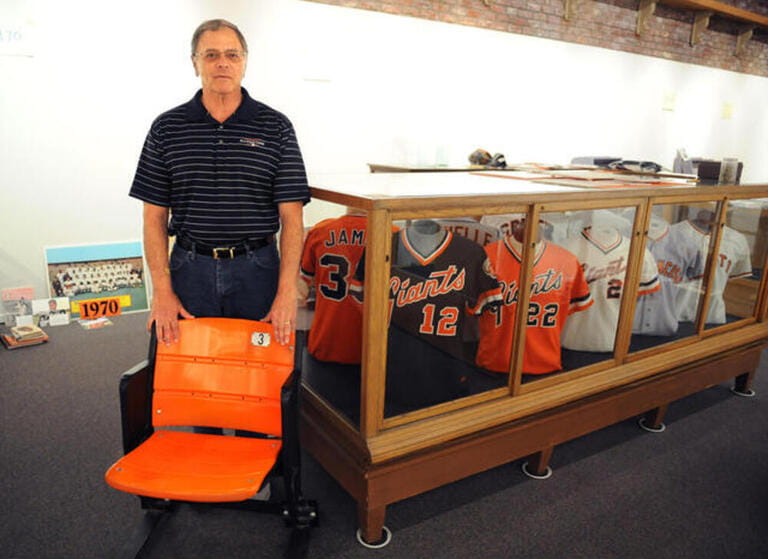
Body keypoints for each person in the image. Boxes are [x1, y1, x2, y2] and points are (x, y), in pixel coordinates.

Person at [129, 19, 310, 346]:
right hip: (189, 268)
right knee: (189, 368)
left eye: (232, 54)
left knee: (258, 372)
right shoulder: (166, 129)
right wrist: (162, 291)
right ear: (194, 62)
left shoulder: (277, 127)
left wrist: (286, 291)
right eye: (211, 55)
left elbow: (293, 219)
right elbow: (153, 217)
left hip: (258, 269)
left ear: (245, 62)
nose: (222, 62)